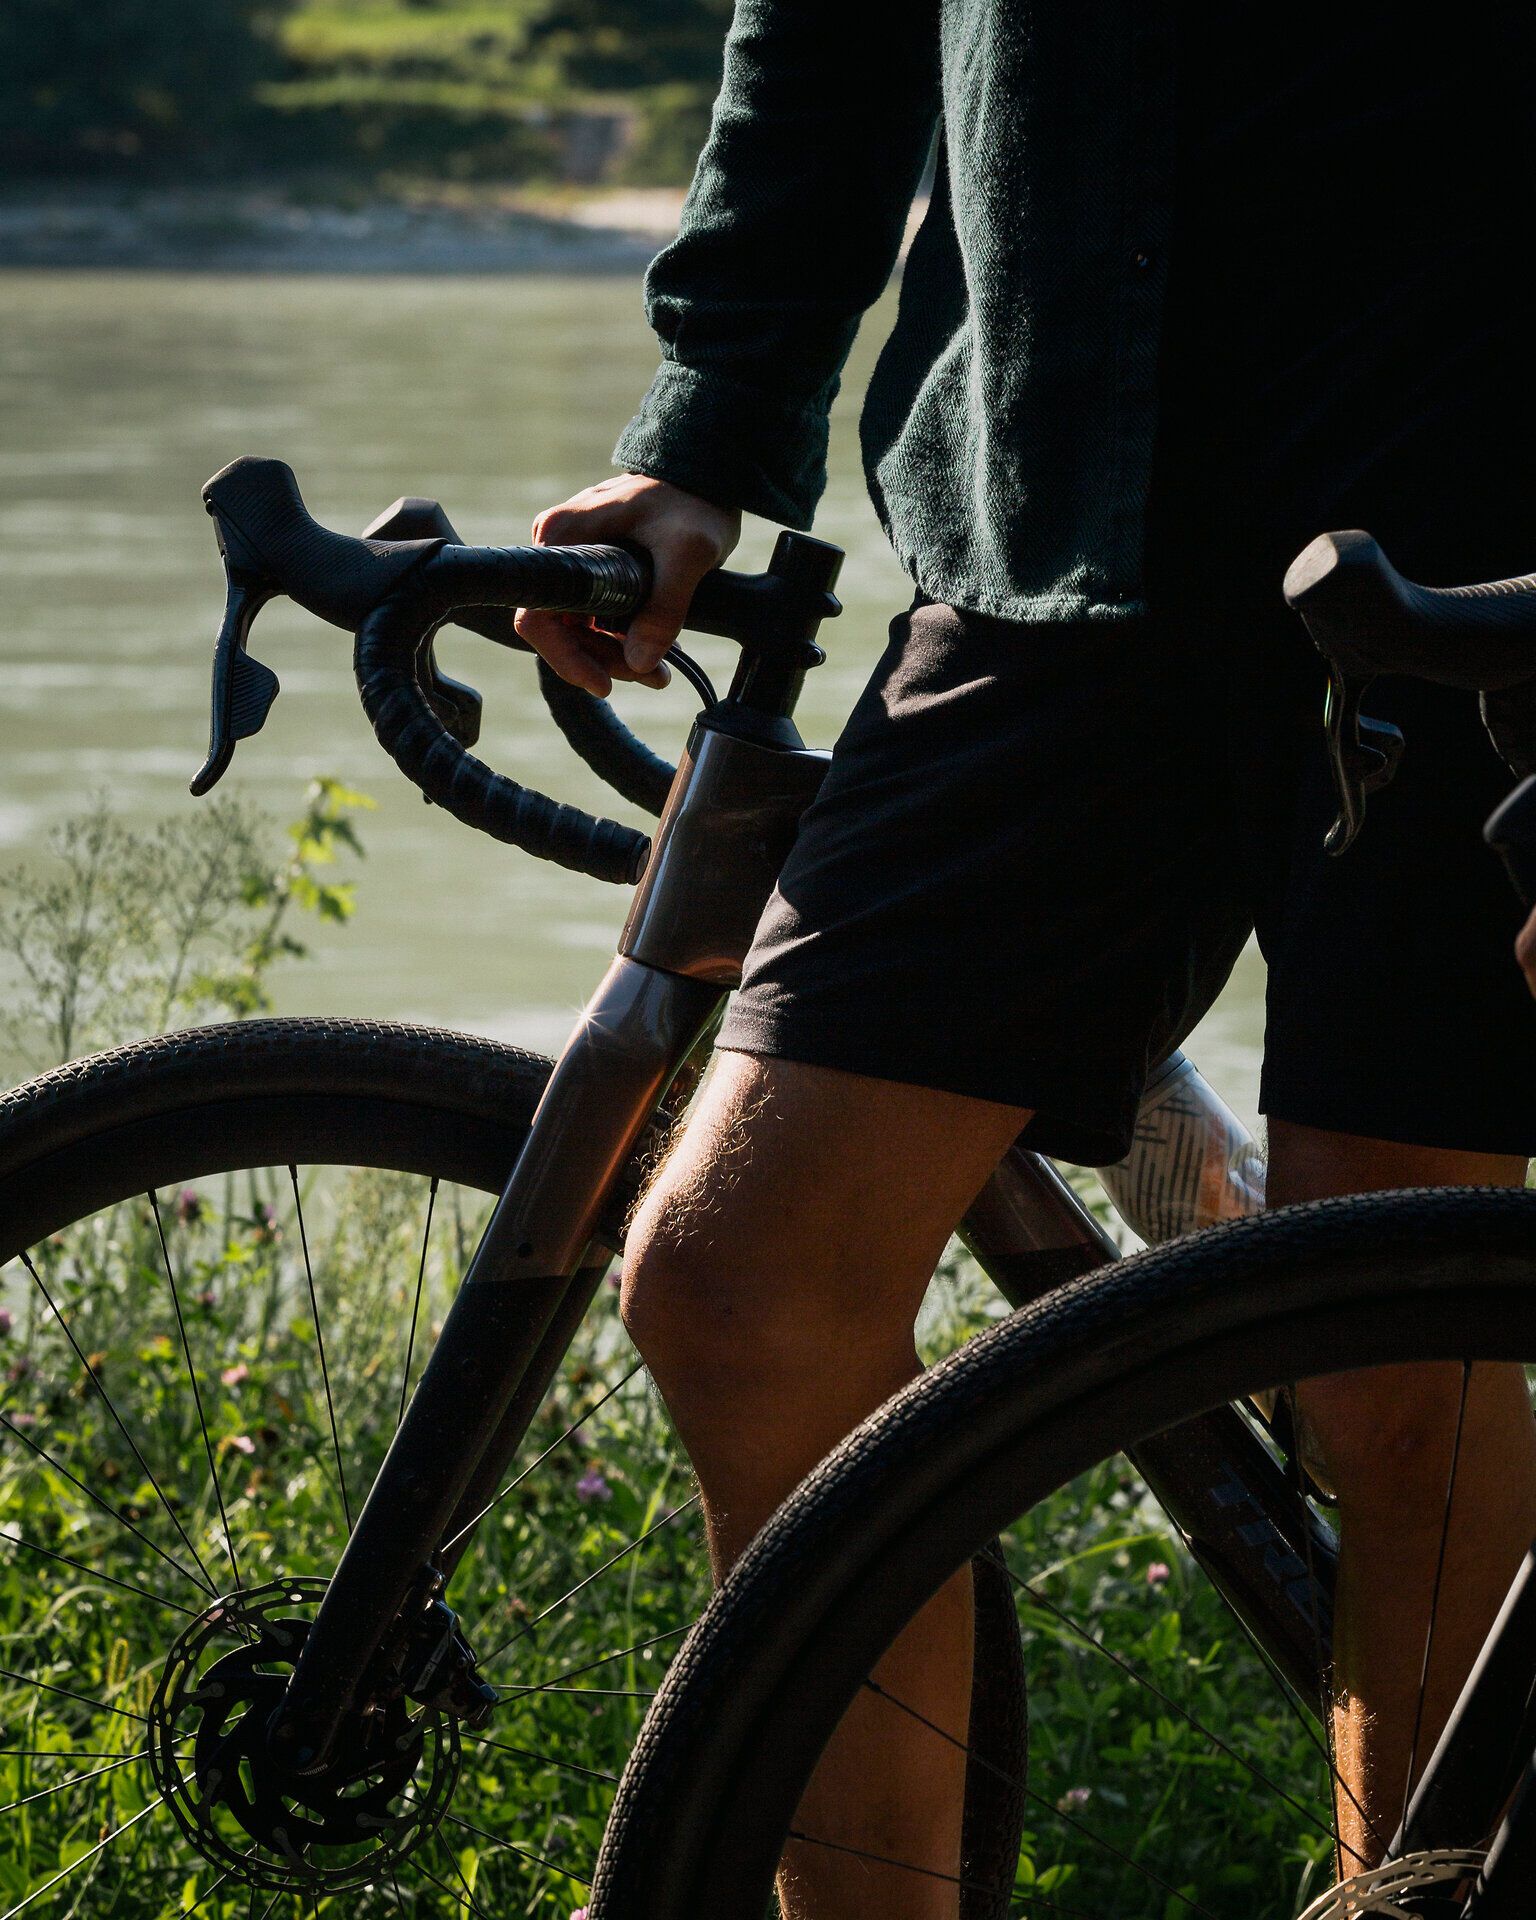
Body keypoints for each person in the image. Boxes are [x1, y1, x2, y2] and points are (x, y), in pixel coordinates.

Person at [516, 3, 1536, 1910]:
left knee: (1406, 1372)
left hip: (1483, 531)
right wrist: (709, 429)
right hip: (1053, 520)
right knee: (737, 1283)